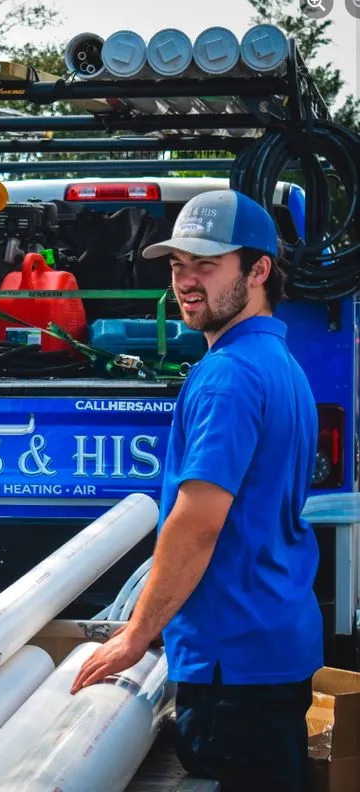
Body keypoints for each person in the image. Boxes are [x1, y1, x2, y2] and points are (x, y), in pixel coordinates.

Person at [70, 189, 322, 791]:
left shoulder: (228, 376)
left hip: (231, 661)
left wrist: (135, 636)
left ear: (258, 270)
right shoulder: (278, 362)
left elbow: (197, 523)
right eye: (179, 264)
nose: (186, 281)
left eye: (207, 265)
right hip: (270, 639)